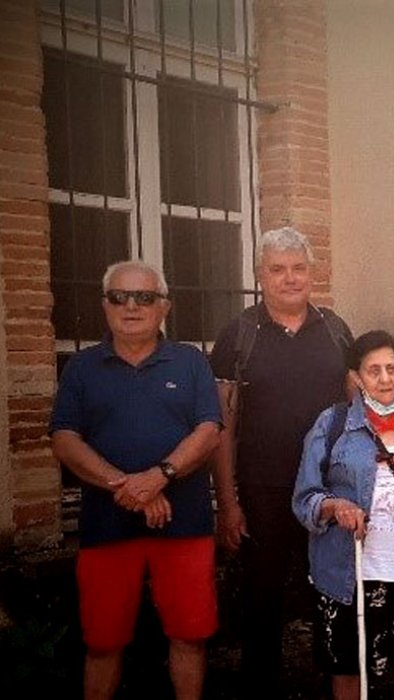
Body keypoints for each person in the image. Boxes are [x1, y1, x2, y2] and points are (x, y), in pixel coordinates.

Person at [50, 260, 222, 700]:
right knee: (102, 641)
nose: (131, 306)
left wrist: (158, 477)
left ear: (163, 306)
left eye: (144, 297)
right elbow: (65, 439)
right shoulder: (82, 368)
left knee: (189, 635)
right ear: (104, 305)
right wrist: (127, 486)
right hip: (107, 526)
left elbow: (208, 431)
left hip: (184, 523)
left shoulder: (190, 362)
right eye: (119, 297)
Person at [208, 226, 353, 697]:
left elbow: (358, 412)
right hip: (263, 490)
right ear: (260, 276)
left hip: (329, 491)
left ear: (312, 274)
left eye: (298, 268)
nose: (289, 278)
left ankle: (335, 687)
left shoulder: (335, 330)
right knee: (261, 601)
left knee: (331, 599)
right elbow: (222, 427)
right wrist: (228, 502)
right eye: (277, 269)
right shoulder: (239, 336)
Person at [292, 331, 394, 700]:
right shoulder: (332, 425)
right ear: (357, 377)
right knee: (348, 663)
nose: (384, 378)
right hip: (350, 569)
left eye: (391, 368)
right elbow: (305, 496)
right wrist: (335, 506)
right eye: (373, 370)